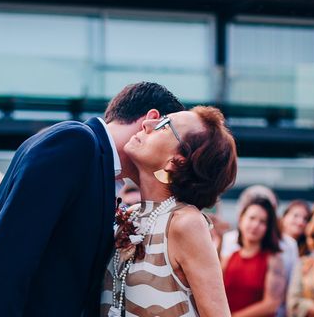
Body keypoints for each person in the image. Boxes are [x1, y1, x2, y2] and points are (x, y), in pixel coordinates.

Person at [0, 81, 184, 316]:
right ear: (150, 122)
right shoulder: (75, 142)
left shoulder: (96, 162)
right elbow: (7, 255)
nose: (173, 158)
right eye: (173, 139)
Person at [101, 106, 237, 316]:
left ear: (177, 161)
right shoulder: (130, 216)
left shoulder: (185, 222)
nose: (147, 123)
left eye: (163, 125)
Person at [220, 185, 298, 317]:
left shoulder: (274, 259)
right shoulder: (230, 257)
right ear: (241, 219)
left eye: (262, 222)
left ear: (268, 228)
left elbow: (271, 304)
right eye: (252, 218)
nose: (255, 225)